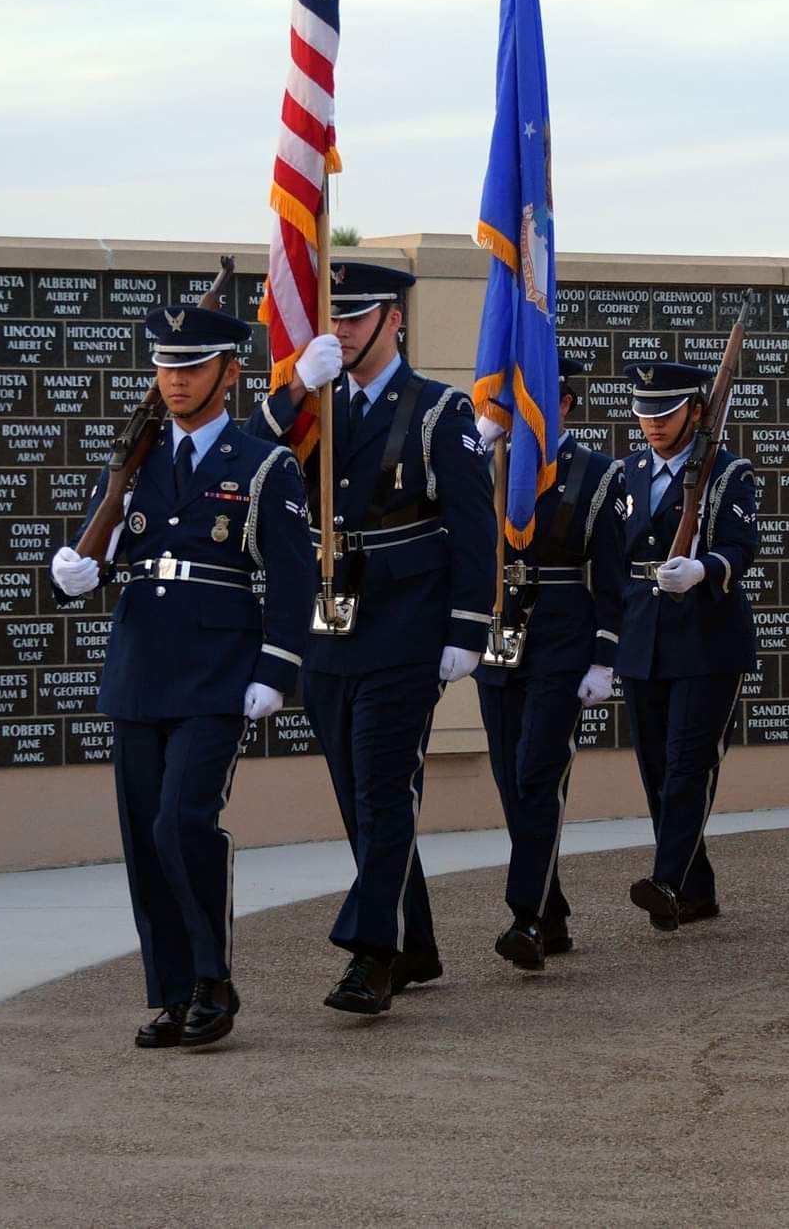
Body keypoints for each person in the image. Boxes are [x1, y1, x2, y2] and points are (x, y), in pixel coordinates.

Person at [50, 305, 316, 1049]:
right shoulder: (137, 460)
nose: (175, 381)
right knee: (144, 835)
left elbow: (293, 583)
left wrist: (277, 669)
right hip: (139, 669)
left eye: (192, 367)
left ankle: (212, 979)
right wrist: (77, 568)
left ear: (229, 374)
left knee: (181, 822)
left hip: (215, 676)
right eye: (165, 367)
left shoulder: (262, 464)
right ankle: (171, 993)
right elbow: (100, 550)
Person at [247, 261, 496, 1015]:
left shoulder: (436, 409)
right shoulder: (314, 405)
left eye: (358, 318)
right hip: (330, 626)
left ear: (394, 320)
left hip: (406, 624)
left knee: (386, 790)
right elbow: (247, 459)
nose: (344, 331)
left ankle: (372, 956)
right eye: (336, 318)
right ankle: (415, 942)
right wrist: (293, 389)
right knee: (358, 799)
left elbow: (475, 527)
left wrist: (467, 627)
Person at [474, 358, 625, 970]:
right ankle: (552, 908)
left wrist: (604, 657)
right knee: (512, 780)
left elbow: (614, 580)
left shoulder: (597, 474)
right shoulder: (481, 462)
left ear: (562, 405)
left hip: (563, 640)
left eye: (538, 399)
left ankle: (527, 917)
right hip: (497, 639)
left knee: (539, 772)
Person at [616, 361, 758, 931]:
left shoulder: (727, 472)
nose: (652, 422)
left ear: (696, 411)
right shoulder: (625, 472)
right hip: (644, 637)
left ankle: (668, 880)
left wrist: (703, 568)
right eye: (644, 411)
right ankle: (696, 890)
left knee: (688, 767)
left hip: (707, 640)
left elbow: (743, 546)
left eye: (666, 411)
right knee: (656, 768)